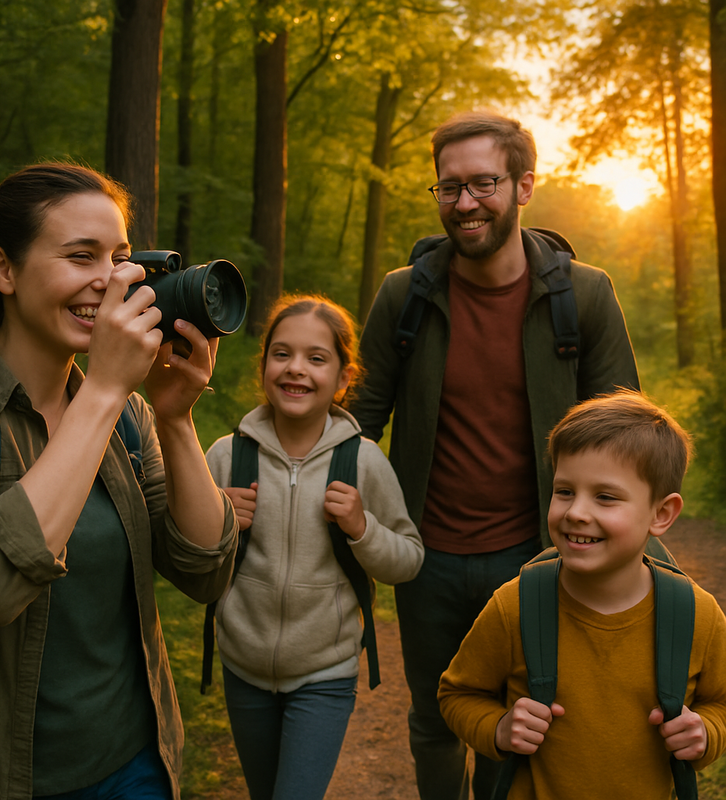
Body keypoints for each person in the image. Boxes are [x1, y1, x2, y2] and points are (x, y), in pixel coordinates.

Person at [349, 110, 640, 800]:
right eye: (449, 188)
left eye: (484, 183)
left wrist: (640, 566)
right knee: (436, 719)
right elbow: (355, 424)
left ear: (523, 185)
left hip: (537, 558)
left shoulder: (585, 296)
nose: (466, 203)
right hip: (425, 559)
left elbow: (626, 437)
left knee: (522, 726)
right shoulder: (404, 295)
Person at [0, 163, 239, 799]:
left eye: (122, 258)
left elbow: (206, 569)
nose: (112, 280)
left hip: (136, 765)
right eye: (80, 256)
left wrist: (175, 417)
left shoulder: (128, 412)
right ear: (3, 269)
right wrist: (102, 388)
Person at [437, 390, 726, 798]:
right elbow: (457, 694)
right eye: (565, 491)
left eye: (605, 497)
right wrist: (500, 729)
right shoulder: (515, 605)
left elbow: (721, 703)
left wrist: (707, 732)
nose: (575, 512)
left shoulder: (697, 615)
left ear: (661, 514)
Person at [205, 294, 424, 800]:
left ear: (345, 378)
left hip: (325, 674)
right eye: (281, 354)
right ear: (263, 366)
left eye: (316, 358)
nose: (295, 369)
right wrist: (220, 524)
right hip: (242, 667)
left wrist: (361, 527)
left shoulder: (364, 461)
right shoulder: (224, 455)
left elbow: (409, 558)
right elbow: (186, 557)